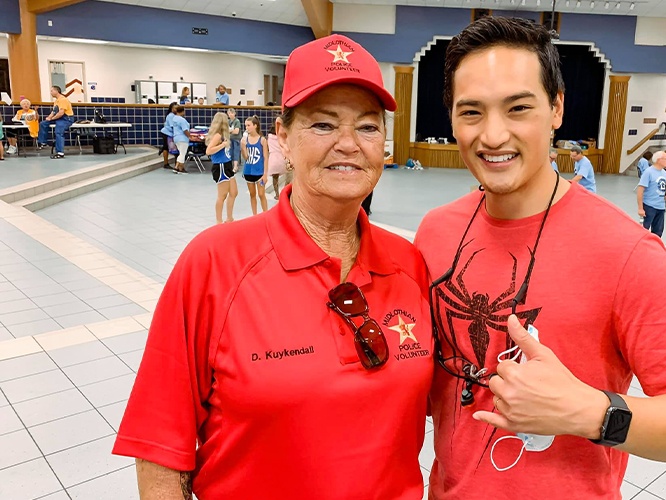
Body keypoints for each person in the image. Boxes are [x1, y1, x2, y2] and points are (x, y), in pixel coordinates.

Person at [415, 16, 666, 499]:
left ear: (556, 108)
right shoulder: (436, 232)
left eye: (518, 107)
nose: (493, 135)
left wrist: (588, 411)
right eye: (471, 112)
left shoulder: (624, 252)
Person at [112, 33, 433, 499]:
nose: (348, 144)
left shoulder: (409, 264)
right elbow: (160, 448)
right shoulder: (215, 262)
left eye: (367, 127)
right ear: (282, 135)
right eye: (323, 125)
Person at [204, 112, 237, 224]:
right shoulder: (218, 136)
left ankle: (229, 218)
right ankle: (219, 220)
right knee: (222, 195)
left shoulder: (223, 135)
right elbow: (208, 151)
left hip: (227, 164)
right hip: (220, 166)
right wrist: (222, 145)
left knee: (234, 192)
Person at [240, 115, 269, 215]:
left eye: (248, 125)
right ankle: (254, 215)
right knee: (252, 195)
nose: (246, 128)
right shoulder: (245, 140)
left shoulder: (262, 140)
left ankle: (266, 214)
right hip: (248, 171)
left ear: (255, 126)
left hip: (259, 171)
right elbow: (246, 157)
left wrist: (265, 174)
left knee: (261, 194)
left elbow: (266, 157)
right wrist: (243, 147)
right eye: (245, 126)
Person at [636, 151, 666, 237]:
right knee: (644, 230)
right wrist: (640, 208)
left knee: (658, 232)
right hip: (649, 205)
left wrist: (665, 195)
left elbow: (661, 187)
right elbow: (640, 190)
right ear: (659, 160)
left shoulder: (664, 173)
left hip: (661, 206)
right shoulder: (648, 172)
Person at [37, 86, 75, 159]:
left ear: (56, 91)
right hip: (59, 118)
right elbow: (54, 111)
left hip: (66, 118)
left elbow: (61, 113)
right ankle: (43, 142)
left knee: (59, 132)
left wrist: (52, 119)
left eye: (51, 91)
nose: (50, 92)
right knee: (43, 123)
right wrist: (49, 118)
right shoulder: (56, 101)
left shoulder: (63, 100)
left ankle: (60, 152)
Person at [267, 121, 292, 201]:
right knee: (288, 176)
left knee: (275, 178)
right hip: (282, 158)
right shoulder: (282, 137)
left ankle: (277, 194)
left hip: (273, 158)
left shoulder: (269, 136)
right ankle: (284, 193)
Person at [170, 106, 191, 174]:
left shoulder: (174, 119)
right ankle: (177, 168)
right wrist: (190, 136)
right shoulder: (182, 120)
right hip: (183, 138)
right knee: (182, 154)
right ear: (182, 111)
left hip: (176, 138)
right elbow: (185, 130)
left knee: (181, 153)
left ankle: (179, 168)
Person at [159, 102, 178, 169]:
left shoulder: (176, 115)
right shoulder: (170, 116)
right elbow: (172, 126)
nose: (176, 109)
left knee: (166, 147)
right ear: (171, 109)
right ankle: (166, 163)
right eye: (174, 108)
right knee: (166, 147)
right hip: (167, 133)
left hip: (170, 133)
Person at [227, 108, 242, 172]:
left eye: (232, 113)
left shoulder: (237, 121)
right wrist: (230, 131)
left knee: (236, 152)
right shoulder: (228, 121)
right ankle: (230, 166)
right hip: (230, 139)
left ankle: (235, 166)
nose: (230, 114)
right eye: (229, 113)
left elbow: (236, 131)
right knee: (230, 152)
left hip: (236, 139)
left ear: (235, 113)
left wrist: (229, 131)